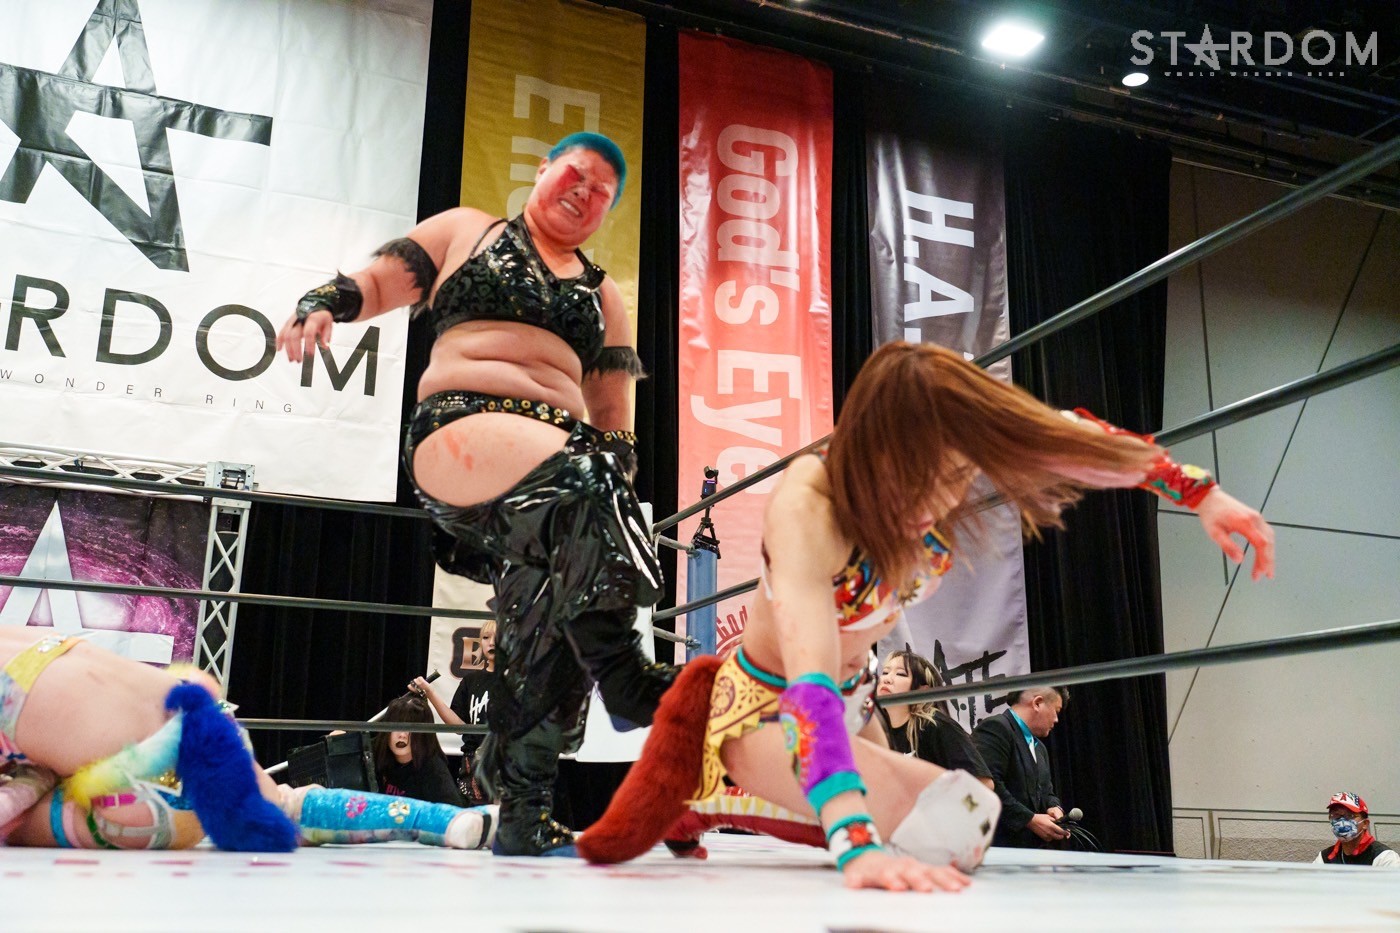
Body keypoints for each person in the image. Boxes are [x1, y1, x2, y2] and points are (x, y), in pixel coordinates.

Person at [579, 340, 1275, 893]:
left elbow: (1080, 439)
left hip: (851, 701)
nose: (940, 497)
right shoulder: (809, 507)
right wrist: (856, 848)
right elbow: (809, 688)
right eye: (921, 477)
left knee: (971, 822)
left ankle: (802, 804)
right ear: (874, 452)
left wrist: (1200, 494)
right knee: (893, 825)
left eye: (955, 475)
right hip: (767, 709)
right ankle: (711, 794)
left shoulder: (953, 451)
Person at [275, 133, 676, 856]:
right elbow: (376, 282)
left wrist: (604, 528)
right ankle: (622, 674)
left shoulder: (603, 293)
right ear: (544, 169)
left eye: (602, 192)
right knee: (588, 483)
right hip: (461, 432)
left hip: (559, 479)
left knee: (545, 622)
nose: (585, 193)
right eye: (577, 174)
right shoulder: (469, 231)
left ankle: (523, 808)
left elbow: (614, 419)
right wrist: (320, 303)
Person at [0, 626, 494, 852]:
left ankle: (450, 821)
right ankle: (447, 821)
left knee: (27, 802)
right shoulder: (20, 639)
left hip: (126, 788)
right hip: (187, 710)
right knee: (284, 804)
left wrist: (27, 786)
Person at [875, 649, 993, 790]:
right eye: (885, 672)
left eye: (900, 674)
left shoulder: (934, 725)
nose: (886, 679)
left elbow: (983, 784)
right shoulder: (879, 731)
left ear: (922, 690)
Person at [972, 686, 1071, 848]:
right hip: (998, 848)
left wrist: (1054, 807)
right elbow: (987, 785)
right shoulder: (996, 727)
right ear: (1037, 703)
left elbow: (1047, 791)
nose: (1056, 720)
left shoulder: (1039, 748)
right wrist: (1029, 820)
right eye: (1056, 711)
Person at [411, 621, 497, 804]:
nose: (491, 643)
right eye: (486, 637)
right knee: (473, 816)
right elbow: (458, 726)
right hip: (474, 762)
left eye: (498, 637)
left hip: (508, 760)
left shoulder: (519, 681)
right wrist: (430, 692)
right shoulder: (471, 681)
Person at [373, 694, 466, 807]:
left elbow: (452, 811)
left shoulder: (434, 770)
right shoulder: (376, 756)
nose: (402, 735)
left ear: (422, 734)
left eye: (409, 729)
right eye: (397, 727)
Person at [1315, 792, 1398, 867]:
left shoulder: (1384, 857)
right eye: (1336, 816)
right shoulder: (1324, 858)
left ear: (1365, 823)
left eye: (1349, 816)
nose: (1342, 822)